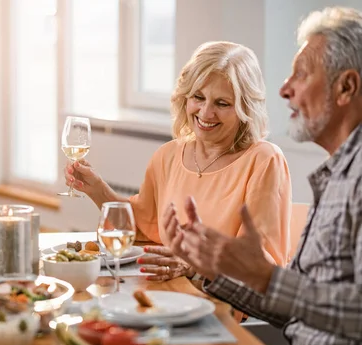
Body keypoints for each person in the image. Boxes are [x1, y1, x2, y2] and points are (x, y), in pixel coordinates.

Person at [164, 7, 362, 345]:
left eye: (302, 74)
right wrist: (209, 271)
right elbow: (294, 309)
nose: (285, 88)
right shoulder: (337, 175)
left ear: (346, 87)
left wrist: (268, 278)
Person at [65, 41, 291, 284]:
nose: (205, 113)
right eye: (198, 97)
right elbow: (142, 225)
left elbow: (259, 265)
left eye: (222, 103)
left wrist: (192, 266)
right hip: (170, 293)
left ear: (246, 108)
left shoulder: (264, 160)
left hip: (224, 308)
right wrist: (98, 190)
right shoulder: (168, 155)